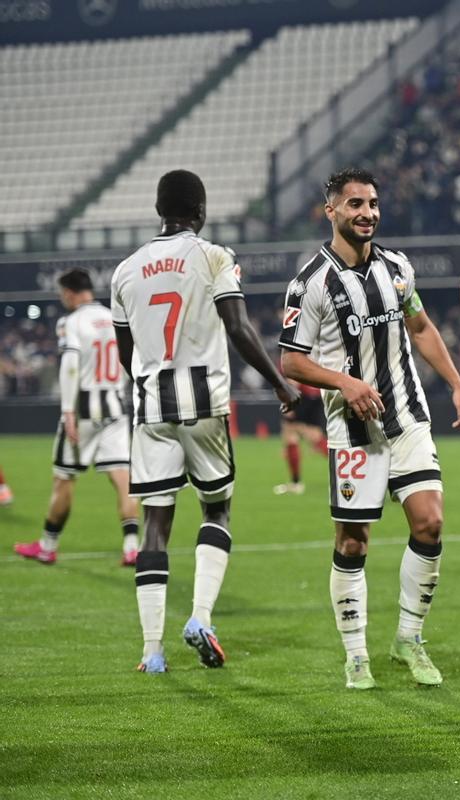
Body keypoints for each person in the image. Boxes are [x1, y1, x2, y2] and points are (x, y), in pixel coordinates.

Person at [280, 167, 460, 691]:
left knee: (430, 523)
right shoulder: (311, 283)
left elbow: (420, 327)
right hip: (352, 430)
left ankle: (409, 639)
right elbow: (291, 362)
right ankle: (356, 653)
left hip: (407, 417)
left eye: (372, 204)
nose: (367, 213)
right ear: (332, 211)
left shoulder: (397, 268)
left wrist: (457, 384)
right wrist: (344, 381)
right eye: (355, 205)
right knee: (352, 542)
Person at [110, 170, 300, 674]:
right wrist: (279, 383)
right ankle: (199, 618)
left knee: (155, 523)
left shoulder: (125, 271)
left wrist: (154, 380)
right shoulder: (214, 256)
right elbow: (237, 326)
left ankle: (151, 651)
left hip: (151, 410)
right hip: (204, 406)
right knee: (216, 511)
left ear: (159, 209)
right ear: (200, 210)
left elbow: (127, 354)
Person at [14, 269, 140, 567]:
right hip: (114, 407)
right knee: (123, 478)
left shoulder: (71, 322)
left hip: (82, 409)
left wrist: (68, 412)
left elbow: (70, 365)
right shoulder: (114, 316)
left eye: (61, 294)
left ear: (69, 292)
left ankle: (47, 546)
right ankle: (132, 547)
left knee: (64, 479)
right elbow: (128, 360)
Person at [273, 380, 326, 495]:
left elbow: (292, 378)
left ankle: (296, 483)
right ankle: (346, 469)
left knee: (291, 434)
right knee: (314, 436)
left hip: (301, 396)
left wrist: (288, 402)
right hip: (316, 393)